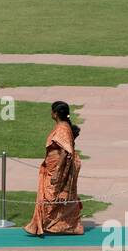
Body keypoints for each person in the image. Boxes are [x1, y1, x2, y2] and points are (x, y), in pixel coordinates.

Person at [25, 101, 84, 236]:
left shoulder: (62, 129)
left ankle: (52, 225)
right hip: (51, 166)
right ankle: (48, 225)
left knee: (51, 196)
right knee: (52, 196)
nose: (50, 113)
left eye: (52, 111)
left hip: (57, 168)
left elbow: (65, 151)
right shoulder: (61, 127)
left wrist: (57, 171)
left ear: (56, 114)